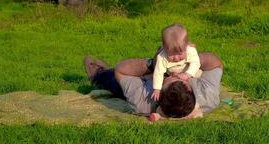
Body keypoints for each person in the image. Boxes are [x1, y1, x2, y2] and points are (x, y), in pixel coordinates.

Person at [84, 52, 223, 121]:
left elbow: (120, 70)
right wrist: (188, 58)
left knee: (112, 81)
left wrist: (153, 64)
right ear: (190, 88)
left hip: (140, 81)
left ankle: (97, 73)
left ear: (159, 94)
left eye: (169, 80)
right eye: (178, 78)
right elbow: (216, 63)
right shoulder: (208, 97)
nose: (173, 74)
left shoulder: (143, 101)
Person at [152, 24, 201, 101]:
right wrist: (157, 89)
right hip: (171, 73)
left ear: (186, 46)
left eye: (179, 54)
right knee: (161, 79)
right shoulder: (162, 57)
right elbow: (158, 73)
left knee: (198, 75)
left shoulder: (190, 50)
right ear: (164, 48)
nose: (176, 58)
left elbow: (196, 63)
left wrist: (188, 74)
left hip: (187, 70)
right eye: (171, 54)